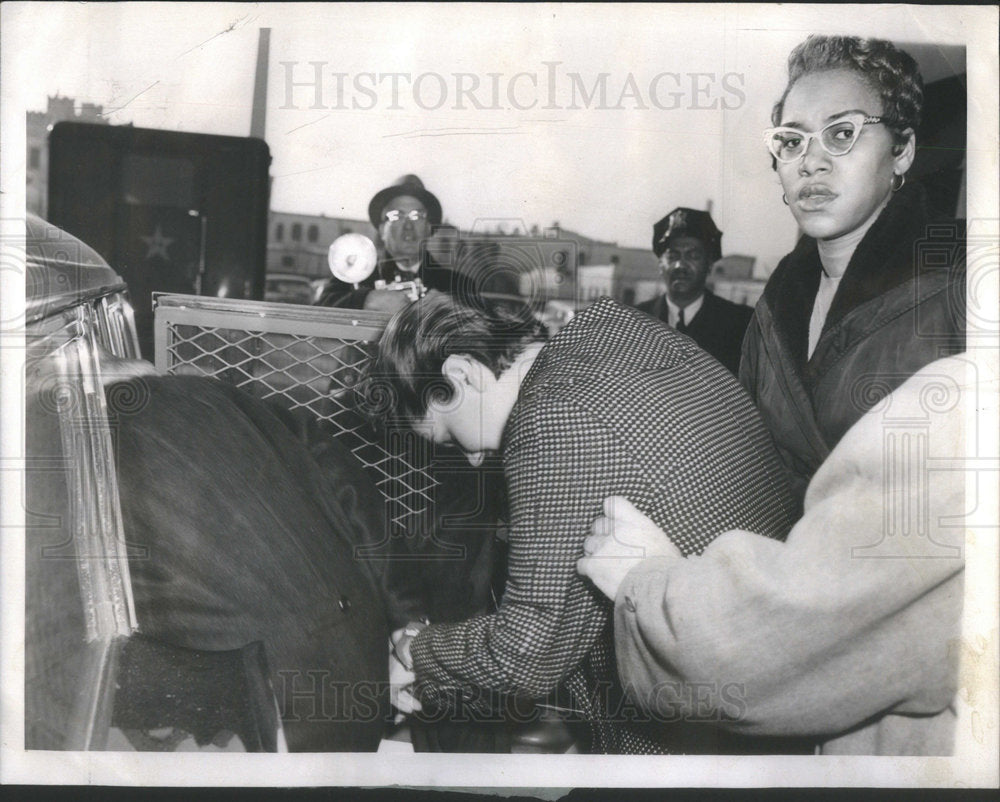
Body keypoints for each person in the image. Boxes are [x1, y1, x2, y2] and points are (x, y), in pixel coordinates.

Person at [578, 34, 967, 755]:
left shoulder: (960, 291)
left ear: (904, 152)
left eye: (843, 134)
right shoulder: (776, 308)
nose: (811, 161)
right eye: (791, 141)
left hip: (909, 705)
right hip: (769, 644)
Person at [365, 293, 797, 753]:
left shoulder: (551, 417)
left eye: (450, 437)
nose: (472, 461)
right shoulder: (606, 332)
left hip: (706, 724)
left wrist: (421, 650)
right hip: (764, 666)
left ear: (460, 373)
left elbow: (527, 653)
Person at [316, 174, 469, 312]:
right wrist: (366, 300)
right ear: (382, 230)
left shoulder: (457, 286)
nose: (408, 226)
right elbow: (318, 312)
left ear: (429, 228)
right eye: (396, 216)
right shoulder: (353, 278)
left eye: (417, 216)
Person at [636, 208, 753, 374]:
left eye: (693, 256)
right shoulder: (635, 322)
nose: (680, 266)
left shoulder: (741, 325)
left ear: (709, 264)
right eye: (673, 256)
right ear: (660, 264)